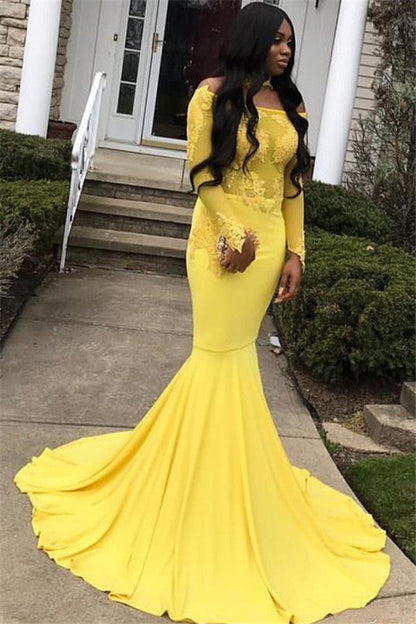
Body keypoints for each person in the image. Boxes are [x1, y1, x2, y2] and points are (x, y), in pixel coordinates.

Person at [14, 3, 391, 623]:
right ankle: (201, 487)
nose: (285, 50)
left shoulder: (292, 105)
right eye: (276, 40)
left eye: (290, 41)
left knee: (236, 357)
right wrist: (235, 236)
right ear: (251, 40)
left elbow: (293, 187)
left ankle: (225, 481)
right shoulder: (209, 96)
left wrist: (296, 252)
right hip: (217, 244)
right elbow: (203, 177)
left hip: (267, 245)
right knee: (216, 354)